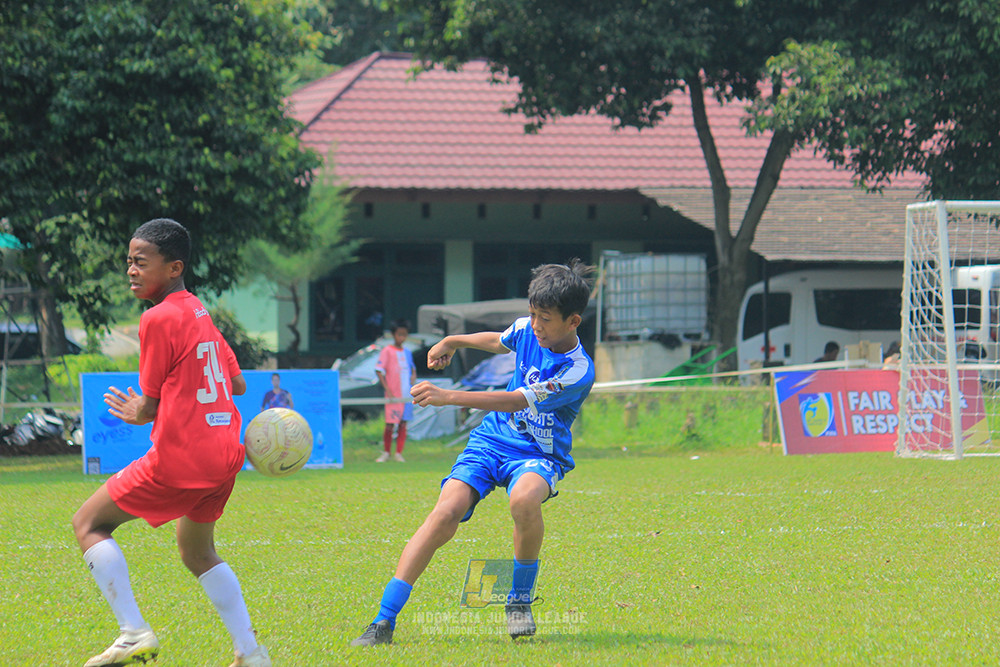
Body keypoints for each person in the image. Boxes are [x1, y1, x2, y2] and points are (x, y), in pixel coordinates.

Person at [351, 259, 596, 647]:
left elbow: (517, 400)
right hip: (491, 440)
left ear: (573, 321)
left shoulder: (577, 370)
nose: (535, 325)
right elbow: (498, 340)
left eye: (545, 319)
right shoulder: (528, 329)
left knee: (525, 499)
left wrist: (449, 396)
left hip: (538, 452)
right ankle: (383, 621)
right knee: (445, 512)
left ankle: (517, 601)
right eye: (532, 315)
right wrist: (452, 341)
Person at [71, 219, 270, 667]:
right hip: (224, 456)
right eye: (129, 262)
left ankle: (132, 632)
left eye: (141, 262)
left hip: (183, 458)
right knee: (197, 551)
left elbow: (148, 408)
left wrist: (135, 410)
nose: (131, 271)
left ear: (174, 266)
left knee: (88, 523)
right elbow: (236, 385)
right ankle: (251, 653)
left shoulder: (157, 318)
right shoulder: (199, 310)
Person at [374, 319, 417, 463]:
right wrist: (387, 389)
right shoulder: (387, 351)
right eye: (399, 334)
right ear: (393, 335)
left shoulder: (407, 352)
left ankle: (399, 452)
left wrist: (413, 377)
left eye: (405, 335)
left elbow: (412, 369)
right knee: (390, 423)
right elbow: (379, 370)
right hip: (393, 393)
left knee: (403, 423)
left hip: (406, 393)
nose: (402, 338)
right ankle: (386, 452)